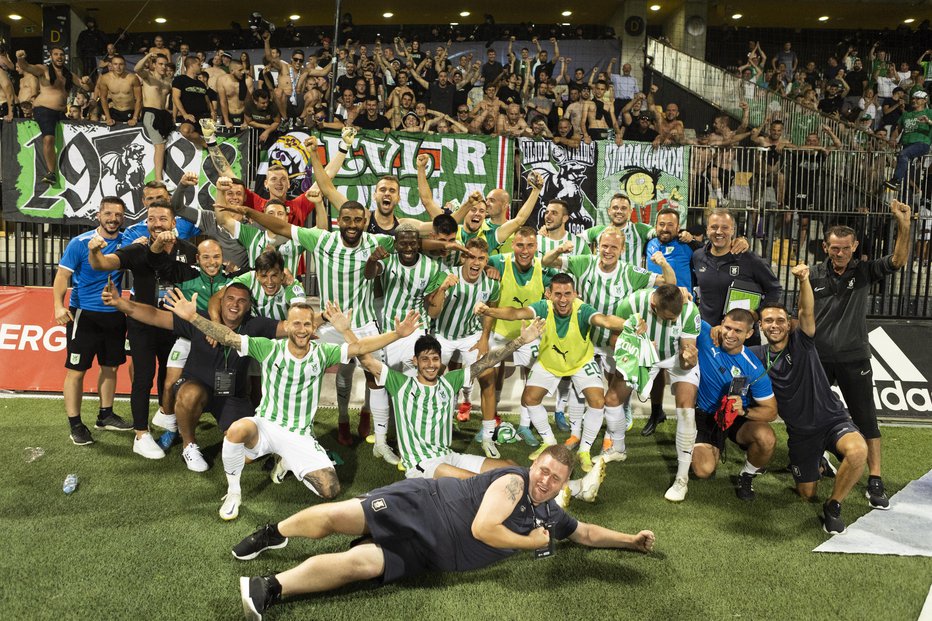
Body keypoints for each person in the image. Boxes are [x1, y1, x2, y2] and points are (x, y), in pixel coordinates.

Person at [234, 445, 654, 620]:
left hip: (430, 554)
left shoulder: (549, 515)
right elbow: (484, 528)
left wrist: (629, 540)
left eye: (556, 478)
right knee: (336, 518)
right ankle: (274, 531)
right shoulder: (513, 481)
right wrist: (530, 542)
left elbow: (585, 533)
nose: (545, 480)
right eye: (543, 469)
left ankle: (270, 587)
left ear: (564, 484)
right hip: (421, 506)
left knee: (357, 564)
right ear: (534, 465)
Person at [163, 292, 419, 520]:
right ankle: (234, 493)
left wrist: (398, 334)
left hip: (300, 434)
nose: (301, 328)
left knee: (329, 489)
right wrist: (194, 318)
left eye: (307, 323)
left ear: (313, 327)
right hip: (265, 425)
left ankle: (287, 460)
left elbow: (360, 347)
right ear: (286, 325)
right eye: (295, 323)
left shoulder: (323, 352)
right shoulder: (268, 348)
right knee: (236, 432)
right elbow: (228, 336)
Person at [810, 201, 912, 509]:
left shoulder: (865, 271)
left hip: (855, 358)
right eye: (833, 248)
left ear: (855, 247)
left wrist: (904, 225)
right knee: (813, 416)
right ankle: (817, 461)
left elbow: (897, 260)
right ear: (825, 247)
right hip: (819, 359)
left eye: (844, 248)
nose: (838, 253)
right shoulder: (812, 274)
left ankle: (875, 479)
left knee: (866, 419)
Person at [752, 265, 868, 534]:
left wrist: (804, 280)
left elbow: (806, 311)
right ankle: (820, 461)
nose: (775, 325)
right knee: (806, 493)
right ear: (760, 326)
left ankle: (834, 505)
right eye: (768, 321)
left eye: (780, 320)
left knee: (857, 450)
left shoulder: (802, 341)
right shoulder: (756, 356)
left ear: (788, 323)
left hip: (832, 420)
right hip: (802, 434)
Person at [475, 273, 629, 471]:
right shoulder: (543, 307)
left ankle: (585, 449)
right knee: (529, 398)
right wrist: (489, 310)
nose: (563, 299)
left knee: (598, 401)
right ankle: (548, 440)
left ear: (575, 294)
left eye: (567, 294)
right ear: (549, 294)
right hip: (549, 362)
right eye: (558, 294)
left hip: (581, 362)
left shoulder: (582, 310)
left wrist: (629, 325)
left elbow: (606, 321)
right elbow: (515, 313)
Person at [353, 321, 543, 478]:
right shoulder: (401, 384)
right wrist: (347, 330)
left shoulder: (450, 382)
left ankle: (549, 492)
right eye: (425, 359)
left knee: (511, 467)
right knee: (478, 481)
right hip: (422, 466)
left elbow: (488, 361)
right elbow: (366, 360)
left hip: (449, 457)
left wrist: (520, 341)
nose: (430, 364)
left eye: (435, 359)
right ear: (415, 361)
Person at [87, 199, 197, 459]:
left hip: (174, 324)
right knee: (144, 377)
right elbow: (103, 264)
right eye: (152, 219)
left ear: (173, 222)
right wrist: (94, 251)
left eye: (162, 219)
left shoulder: (189, 250)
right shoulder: (137, 250)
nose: (157, 224)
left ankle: (168, 424)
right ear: (147, 223)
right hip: (142, 323)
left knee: (170, 380)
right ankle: (141, 433)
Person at [54, 197, 133, 446]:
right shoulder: (80, 243)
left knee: (110, 367)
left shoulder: (126, 241)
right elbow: (62, 276)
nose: (113, 219)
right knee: (76, 371)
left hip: (115, 315)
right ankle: (75, 424)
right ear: (98, 215)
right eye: (108, 214)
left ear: (123, 217)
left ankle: (105, 415)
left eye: (118, 215)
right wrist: (58, 305)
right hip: (84, 315)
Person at [612, 285, 701, 501]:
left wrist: (689, 360)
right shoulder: (631, 303)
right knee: (613, 398)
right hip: (642, 354)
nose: (673, 321)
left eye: (676, 317)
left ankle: (682, 479)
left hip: (674, 357)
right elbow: (615, 340)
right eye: (669, 318)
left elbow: (687, 357)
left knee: (687, 409)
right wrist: (639, 346)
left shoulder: (690, 310)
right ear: (653, 307)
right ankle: (616, 448)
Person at [692, 309, 778, 500]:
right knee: (703, 471)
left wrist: (743, 410)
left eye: (738, 331)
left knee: (766, 438)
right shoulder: (707, 334)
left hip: (735, 417)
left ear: (749, 334)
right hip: (705, 414)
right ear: (721, 323)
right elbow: (683, 310)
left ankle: (747, 475)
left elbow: (771, 411)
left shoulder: (754, 368)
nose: (730, 335)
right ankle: (703, 443)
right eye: (727, 327)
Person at [691, 208, 782, 342]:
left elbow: (774, 289)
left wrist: (756, 314)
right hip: (708, 336)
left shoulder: (750, 259)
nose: (719, 232)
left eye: (725, 227)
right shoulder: (698, 256)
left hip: (742, 339)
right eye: (714, 227)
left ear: (733, 230)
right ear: (707, 230)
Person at [16, 47, 70, 185]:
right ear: (51, 56)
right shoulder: (44, 69)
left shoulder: (67, 74)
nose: (59, 57)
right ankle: (51, 173)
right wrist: (21, 58)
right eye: (56, 54)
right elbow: (27, 67)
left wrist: (87, 82)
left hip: (61, 113)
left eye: (61, 54)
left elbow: (87, 86)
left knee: (72, 136)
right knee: (48, 139)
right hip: (44, 110)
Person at [135, 51, 174, 185]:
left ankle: (161, 177)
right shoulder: (148, 76)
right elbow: (137, 69)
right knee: (160, 146)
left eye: (165, 64)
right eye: (160, 64)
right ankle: (159, 179)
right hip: (150, 112)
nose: (163, 67)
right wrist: (147, 56)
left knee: (164, 145)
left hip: (163, 114)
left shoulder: (168, 81)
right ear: (154, 65)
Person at [886, 91, 931, 192]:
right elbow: (898, 129)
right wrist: (893, 138)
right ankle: (904, 202)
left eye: (917, 99)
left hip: (921, 144)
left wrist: (928, 121)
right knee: (906, 174)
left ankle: (895, 180)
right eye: (913, 98)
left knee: (903, 155)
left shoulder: (929, 112)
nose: (914, 100)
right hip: (907, 145)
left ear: (925, 100)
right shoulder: (906, 115)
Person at [172, 56, 212, 149]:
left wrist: (212, 112)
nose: (200, 67)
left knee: (212, 140)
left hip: (204, 116)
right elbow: (175, 98)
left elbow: (207, 100)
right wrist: (185, 114)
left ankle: (212, 150)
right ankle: (205, 145)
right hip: (191, 116)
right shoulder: (179, 80)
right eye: (198, 64)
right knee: (185, 130)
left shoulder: (201, 83)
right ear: (191, 65)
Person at [97, 55, 141, 127]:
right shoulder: (105, 78)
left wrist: (135, 118)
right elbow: (103, 98)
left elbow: (139, 99)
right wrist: (108, 117)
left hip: (130, 111)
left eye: (121, 64)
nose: (118, 67)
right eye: (115, 64)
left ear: (125, 65)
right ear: (111, 65)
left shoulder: (132, 78)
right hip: (115, 111)